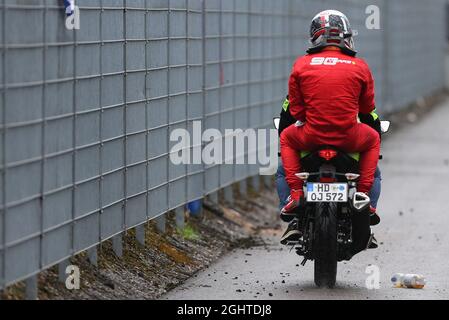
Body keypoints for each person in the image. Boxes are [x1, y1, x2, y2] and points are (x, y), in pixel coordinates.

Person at [278, 10, 381, 244]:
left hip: (311, 136)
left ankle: (295, 196)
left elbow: (296, 111)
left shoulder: (301, 65)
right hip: (348, 137)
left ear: (314, 37)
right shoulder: (360, 66)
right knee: (373, 139)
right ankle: (363, 196)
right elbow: (367, 108)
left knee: (286, 137)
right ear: (346, 37)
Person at [276, 96, 383, 244]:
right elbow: (372, 120)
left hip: (309, 153)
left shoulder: (301, 87)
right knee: (374, 173)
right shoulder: (355, 89)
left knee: (283, 170)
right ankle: (365, 209)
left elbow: (284, 125)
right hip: (348, 154)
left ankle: (294, 215)